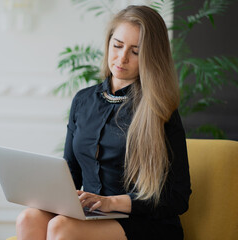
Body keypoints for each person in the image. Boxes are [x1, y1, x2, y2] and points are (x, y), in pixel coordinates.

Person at [15, 5, 191, 240]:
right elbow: (71, 173)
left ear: (151, 57)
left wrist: (110, 203)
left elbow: (177, 198)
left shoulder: (159, 109)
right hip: (92, 215)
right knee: (28, 218)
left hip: (145, 223)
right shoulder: (83, 100)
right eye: (117, 45)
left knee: (61, 229)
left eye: (135, 51)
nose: (122, 57)